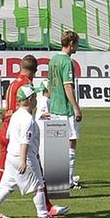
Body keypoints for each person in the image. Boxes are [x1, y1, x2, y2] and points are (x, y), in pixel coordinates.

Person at [0, 85, 67, 218]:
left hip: (11, 156)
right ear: (31, 99)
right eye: (35, 97)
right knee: (38, 187)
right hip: (24, 156)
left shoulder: (15, 115)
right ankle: (43, 216)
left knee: (6, 187)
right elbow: (25, 141)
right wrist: (23, 160)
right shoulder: (27, 119)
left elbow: (8, 136)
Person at [0, 55, 39, 194]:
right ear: (33, 71)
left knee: (2, 171)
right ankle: (47, 207)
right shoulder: (26, 84)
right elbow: (24, 108)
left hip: (7, 128)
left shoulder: (12, 83)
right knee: (36, 170)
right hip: (17, 131)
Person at [46, 31, 83, 188]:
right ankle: (67, 181)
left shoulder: (53, 60)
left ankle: (55, 180)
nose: (77, 47)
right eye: (77, 44)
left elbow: (49, 84)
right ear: (71, 43)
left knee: (57, 146)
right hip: (65, 110)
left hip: (54, 108)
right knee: (70, 144)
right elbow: (68, 86)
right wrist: (76, 108)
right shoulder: (67, 62)